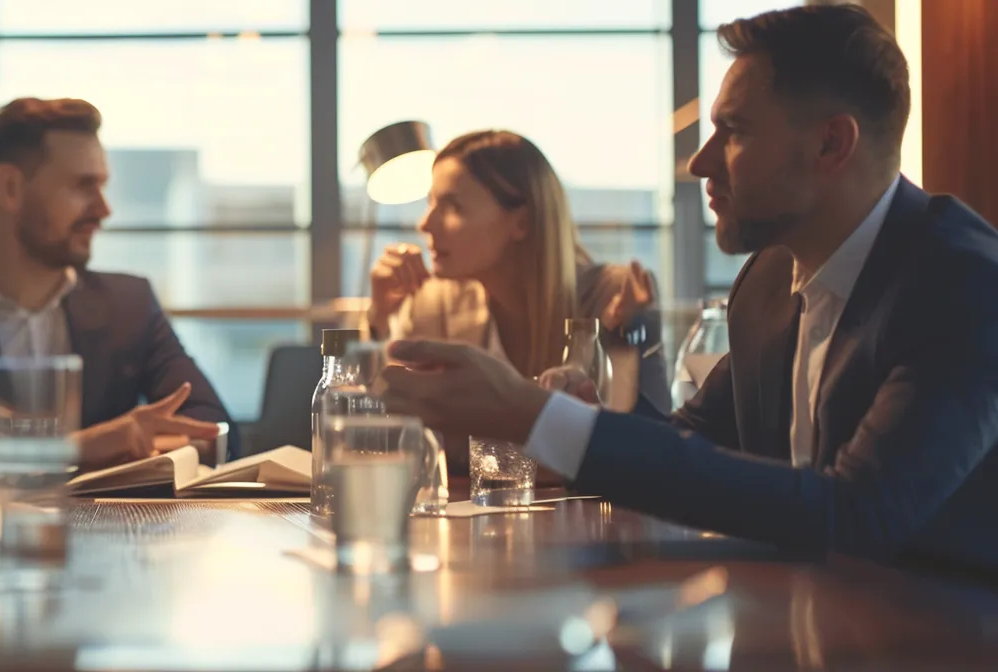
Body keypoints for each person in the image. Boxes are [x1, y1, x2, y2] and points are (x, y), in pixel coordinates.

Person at [380, 5, 998, 575]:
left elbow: (859, 514)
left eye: (734, 131)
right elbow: (689, 438)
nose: (700, 162)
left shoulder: (963, 283)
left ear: (831, 143)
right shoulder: (767, 284)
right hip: (794, 625)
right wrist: (585, 410)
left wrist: (531, 412)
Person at [0, 97, 233, 469]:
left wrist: (145, 441)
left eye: (102, 186)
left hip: (112, 527)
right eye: (82, 186)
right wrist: (85, 446)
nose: (103, 209)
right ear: (10, 188)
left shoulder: (131, 304)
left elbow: (212, 429)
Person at [365, 130, 668, 417]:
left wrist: (636, 333)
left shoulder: (613, 295)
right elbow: (381, 410)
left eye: (453, 206)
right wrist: (379, 316)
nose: (425, 224)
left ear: (522, 222)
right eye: (431, 204)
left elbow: (650, 439)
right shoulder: (435, 303)